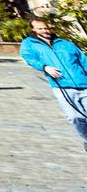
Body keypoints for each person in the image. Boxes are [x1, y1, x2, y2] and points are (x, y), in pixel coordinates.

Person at [20, 18, 87, 151]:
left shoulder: (65, 43)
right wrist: (45, 67)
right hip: (62, 86)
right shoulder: (29, 43)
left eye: (46, 28)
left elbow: (83, 60)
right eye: (40, 28)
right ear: (33, 30)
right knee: (74, 117)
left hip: (83, 83)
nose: (45, 30)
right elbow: (29, 58)